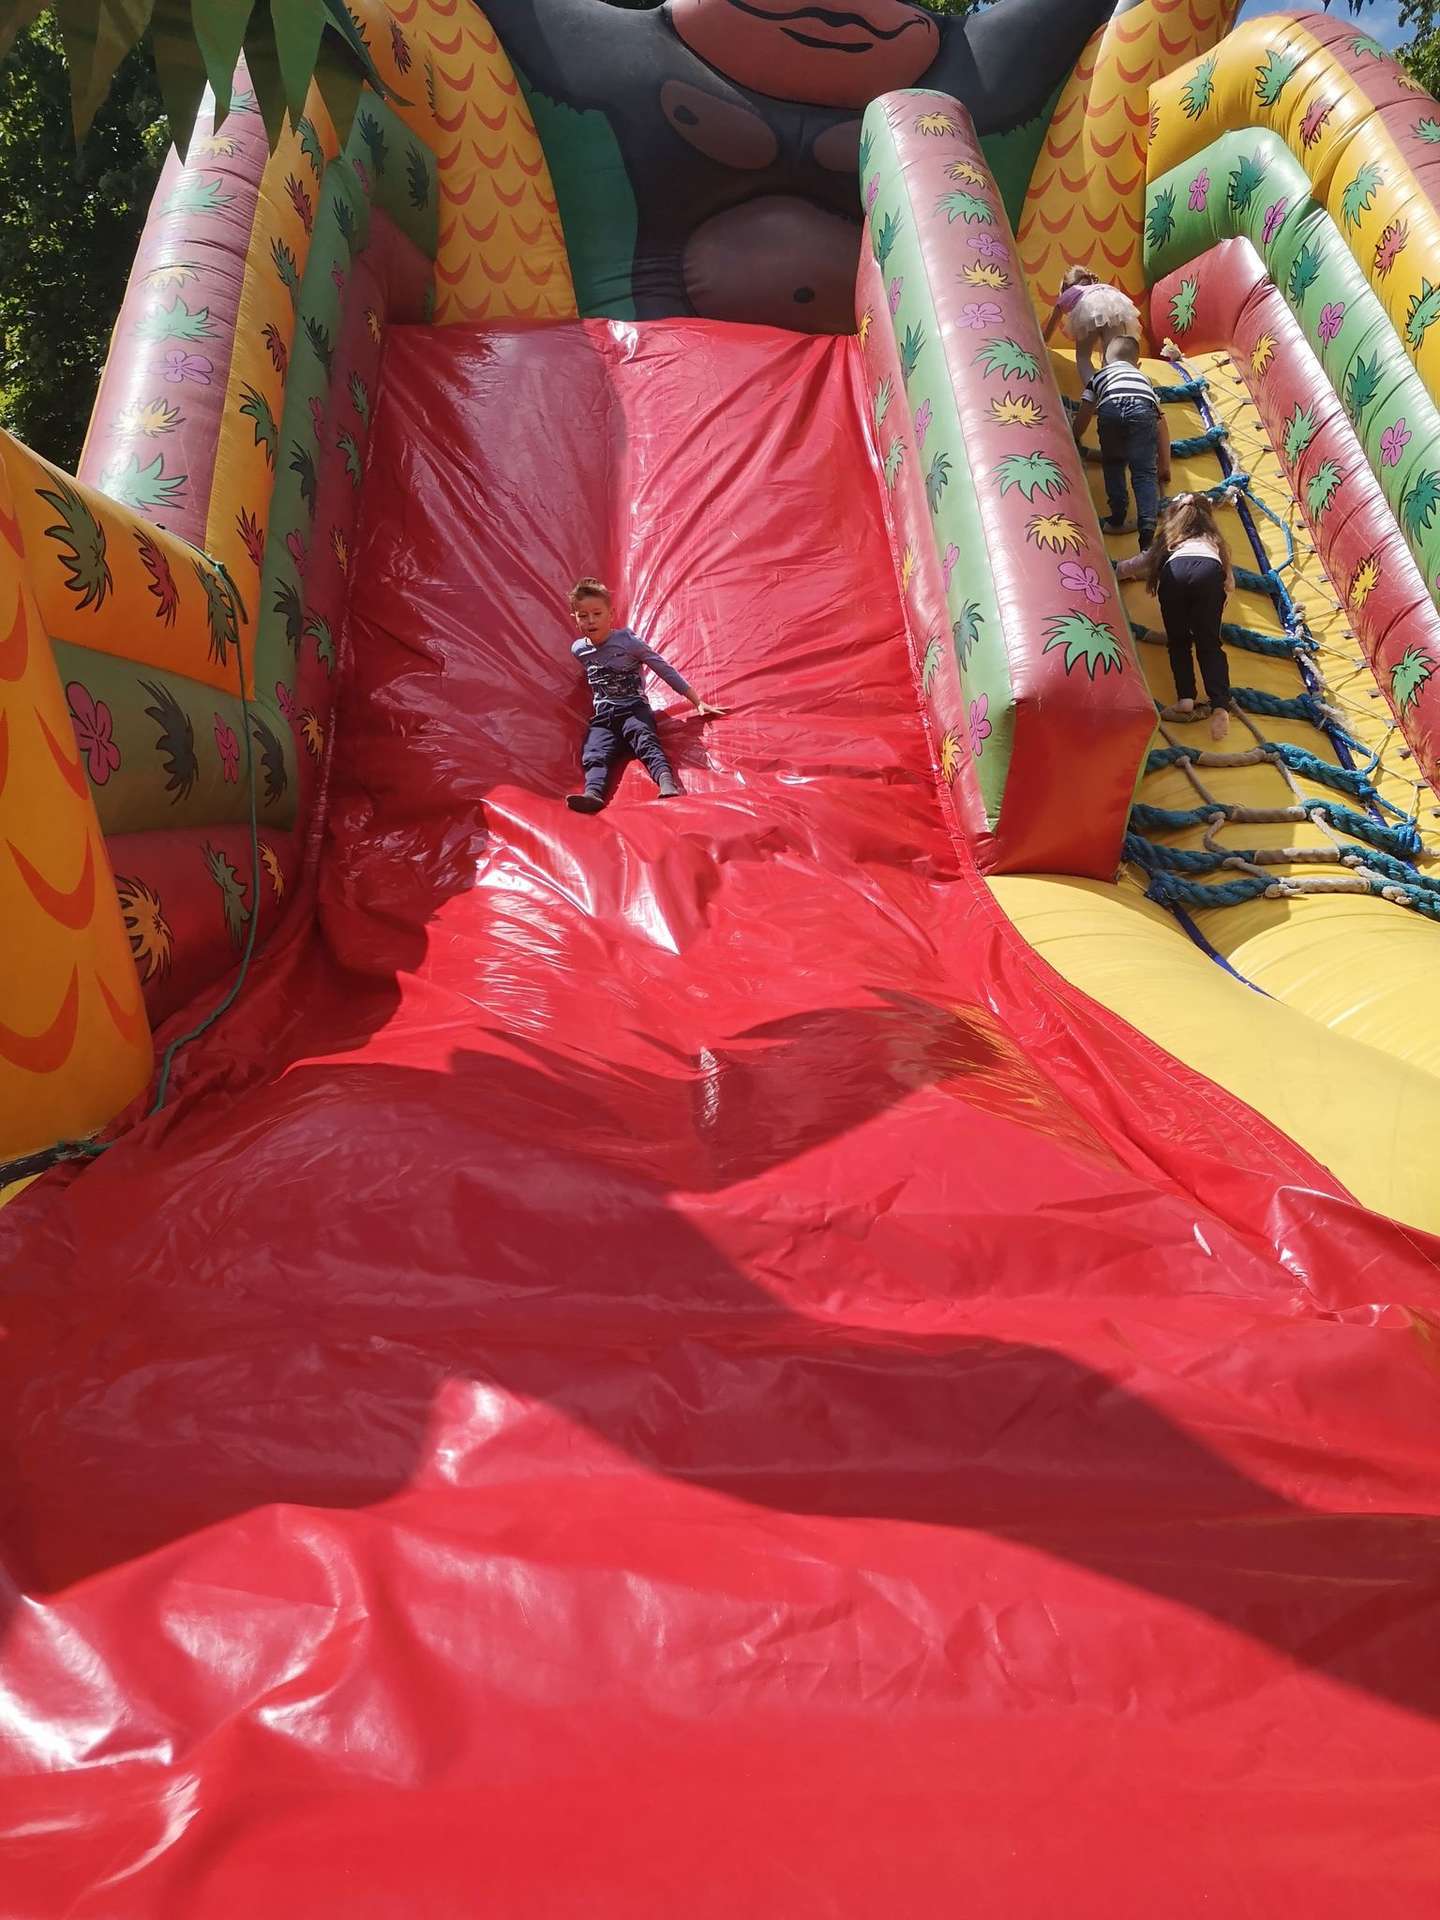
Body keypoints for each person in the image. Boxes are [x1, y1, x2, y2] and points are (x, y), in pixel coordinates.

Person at [565, 578, 725, 813]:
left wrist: (696, 700)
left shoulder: (628, 642)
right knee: (593, 751)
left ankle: (666, 783)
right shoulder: (579, 649)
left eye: (597, 614)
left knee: (645, 741)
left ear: (611, 614)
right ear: (575, 618)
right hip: (604, 715)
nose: (591, 620)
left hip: (633, 708)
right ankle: (593, 794)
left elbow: (663, 668)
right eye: (583, 615)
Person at [1116, 495, 1235, 742]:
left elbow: (1142, 560)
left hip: (1175, 572)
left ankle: (1186, 699)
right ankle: (1220, 704)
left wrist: (1116, 570)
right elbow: (1229, 582)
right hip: (1208, 571)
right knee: (1209, 644)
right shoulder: (1214, 540)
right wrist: (1219, 602)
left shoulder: (1171, 537)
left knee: (1178, 641)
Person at [1070, 336, 1172, 550]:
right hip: (1142, 411)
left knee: (1113, 463)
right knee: (1144, 472)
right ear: (1138, 364)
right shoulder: (1143, 378)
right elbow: (1161, 422)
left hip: (1111, 410)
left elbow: (1086, 411)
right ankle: (1148, 524)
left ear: (1105, 362)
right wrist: (1165, 465)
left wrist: (1074, 435)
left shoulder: (1099, 375)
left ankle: (1118, 513)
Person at [1043, 264, 1143, 386]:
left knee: (1083, 357)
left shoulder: (1070, 292)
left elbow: (1053, 322)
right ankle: (1114, 386)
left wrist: (1044, 340)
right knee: (1112, 356)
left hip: (1088, 309)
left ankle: (1093, 390)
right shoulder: (1103, 287)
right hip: (1115, 309)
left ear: (1066, 285)